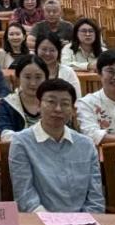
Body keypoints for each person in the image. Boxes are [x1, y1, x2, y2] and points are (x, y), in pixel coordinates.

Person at [8, 78, 105, 213]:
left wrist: (84, 221)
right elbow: (25, 197)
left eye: (65, 104)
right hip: (39, 220)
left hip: (84, 221)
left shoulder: (86, 145)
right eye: (51, 102)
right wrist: (51, 221)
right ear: (38, 105)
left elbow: (96, 198)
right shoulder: (21, 142)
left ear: (73, 110)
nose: (58, 109)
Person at [0, 55, 48, 141]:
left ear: (46, 78)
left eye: (38, 77)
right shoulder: (7, 104)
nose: (33, 83)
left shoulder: (54, 103)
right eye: (27, 77)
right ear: (18, 78)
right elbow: (5, 135)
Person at [33, 33, 82, 99]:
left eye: (52, 50)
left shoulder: (68, 72)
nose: (47, 53)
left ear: (59, 51)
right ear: (36, 50)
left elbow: (77, 98)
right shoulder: (30, 70)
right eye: (44, 49)